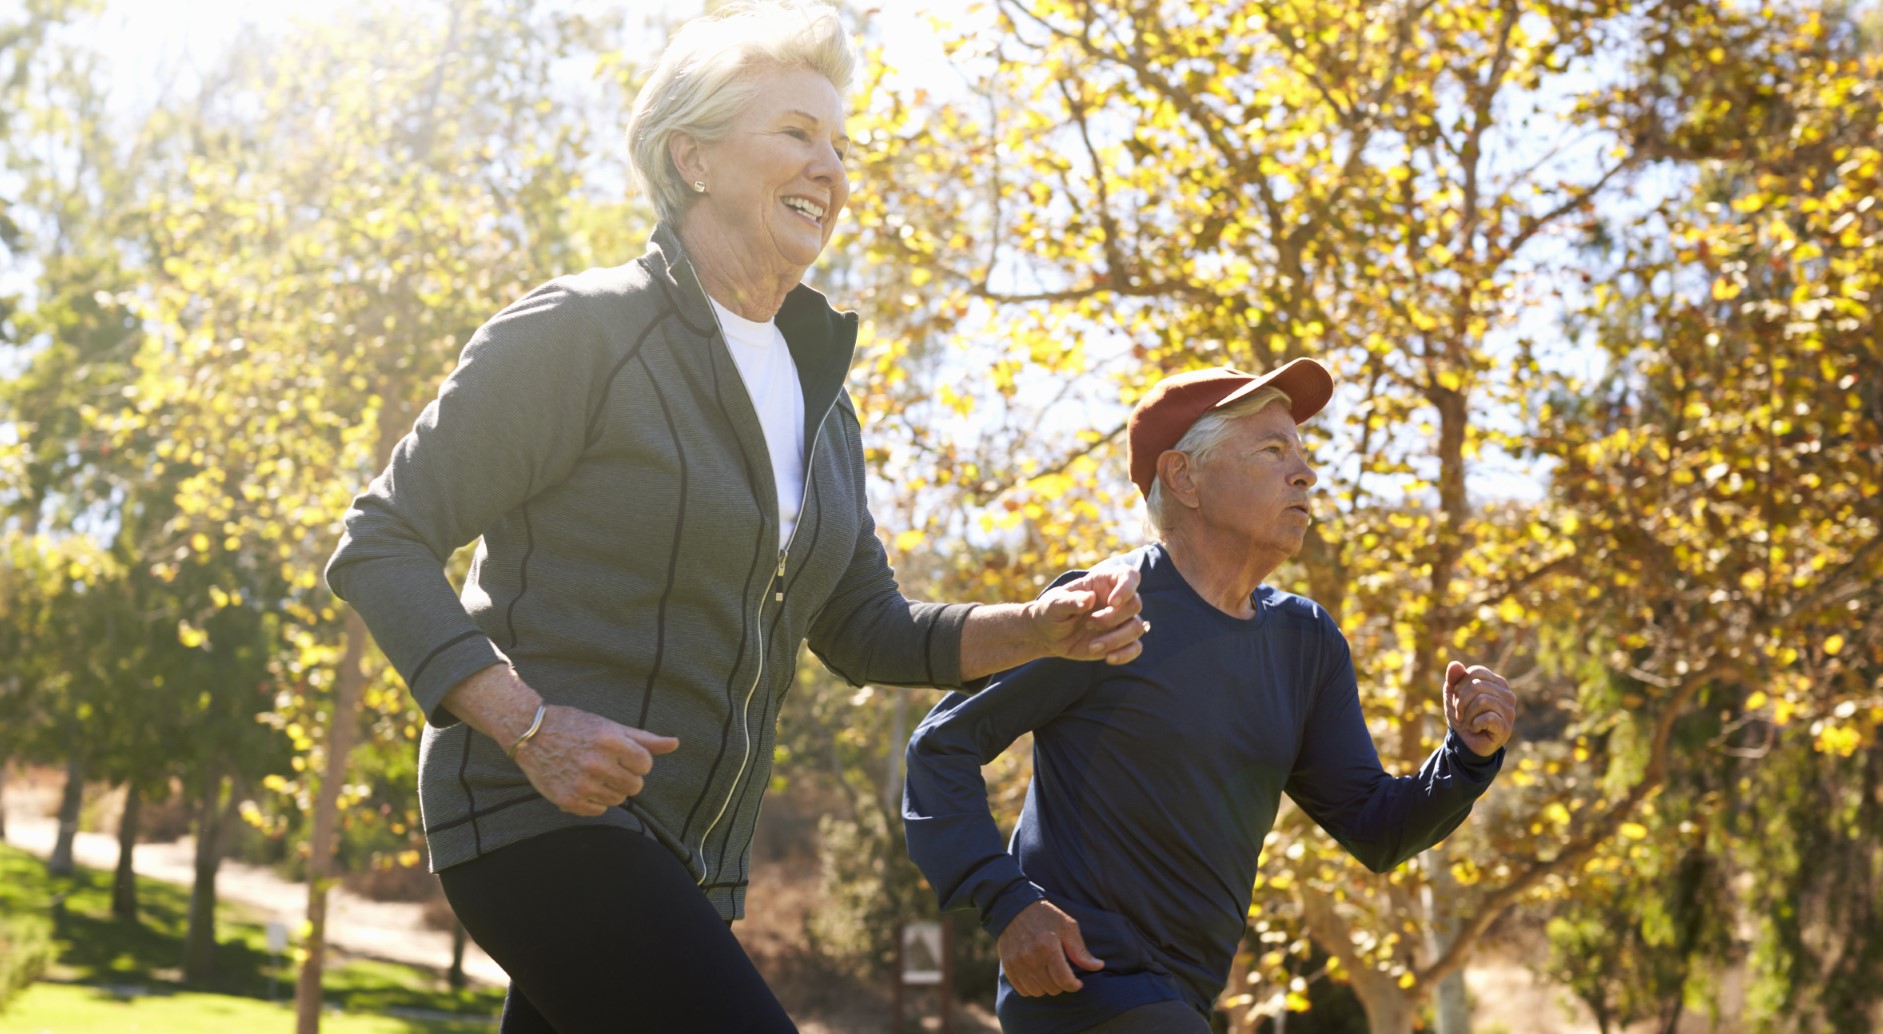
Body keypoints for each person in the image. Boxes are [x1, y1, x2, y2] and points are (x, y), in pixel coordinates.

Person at [322, 3, 1145, 1030]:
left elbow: (863, 625)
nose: (832, 167)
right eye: (798, 132)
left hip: (689, 860)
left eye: (843, 144)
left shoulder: (822, 404)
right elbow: (382, 537)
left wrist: (1039, 625)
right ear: (693, 157)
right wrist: (528, 724)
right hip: (540, 815)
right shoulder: (584, 332)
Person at [902, 362, 1519, 1033]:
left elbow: (1375, 827)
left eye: (1305, 453)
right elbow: (941, 747)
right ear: (1184, 477)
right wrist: (1009, 905)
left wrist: (1466, 758)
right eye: (1273, 450)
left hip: (1184, 1000)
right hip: (1083, 988)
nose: (1306, 473)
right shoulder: (1109, 606)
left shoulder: (1305, 643)